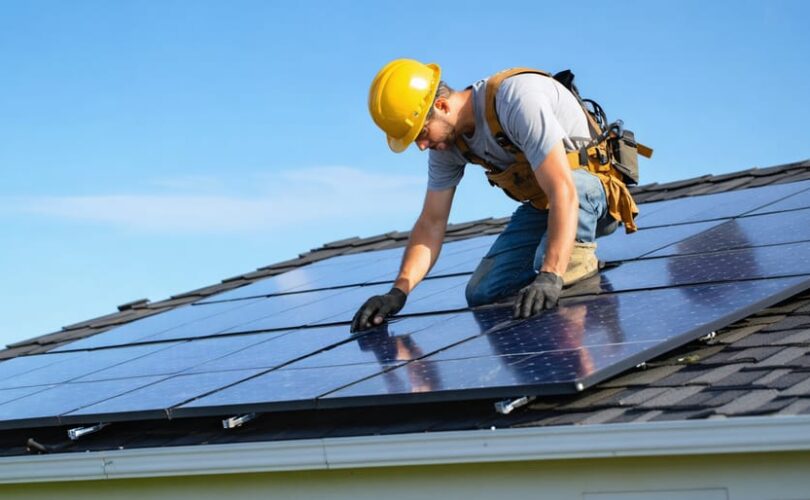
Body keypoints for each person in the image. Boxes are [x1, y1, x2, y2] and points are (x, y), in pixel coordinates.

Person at [351, 59, 635, 333]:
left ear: (441, 105)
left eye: (421, 133)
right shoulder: (447, 146)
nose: (423, 146)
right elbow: (431, 222)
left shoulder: (516, 99)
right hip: (547, 207)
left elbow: (563, 189)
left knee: (551, 266)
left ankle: (579, 282)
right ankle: (558, 264)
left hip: (594, 196)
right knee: (482, 292)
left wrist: (550, 273)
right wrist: (398, 291)